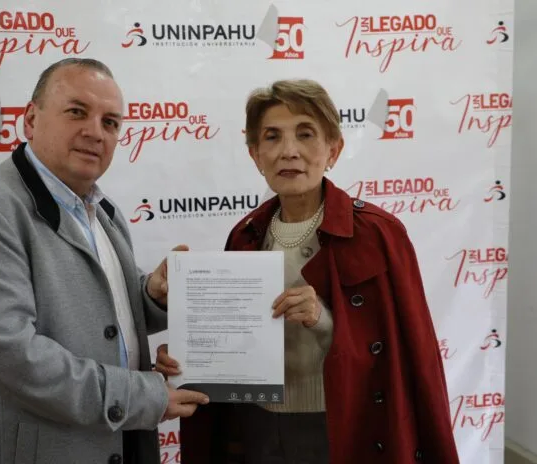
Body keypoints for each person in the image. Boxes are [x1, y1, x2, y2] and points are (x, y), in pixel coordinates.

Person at [155, 79, 460, 464]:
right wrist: (187, 357)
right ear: (255, 154)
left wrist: (322, 319)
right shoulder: (245, 234)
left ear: (334, 149)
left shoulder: (379, 234)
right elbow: (233, 343)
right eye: (272, 137)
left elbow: (407, 355)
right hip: (255, 424)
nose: (289, 151)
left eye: (305, 134)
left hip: (342, 424)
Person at [0, 58, 208, 464]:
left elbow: (104, 312)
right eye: (77, 112)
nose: (95, 132)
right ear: (31, 120)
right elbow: (10, 357)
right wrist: (143, 396)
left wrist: (153, 294)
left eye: (110, 122)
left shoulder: (103, 209)